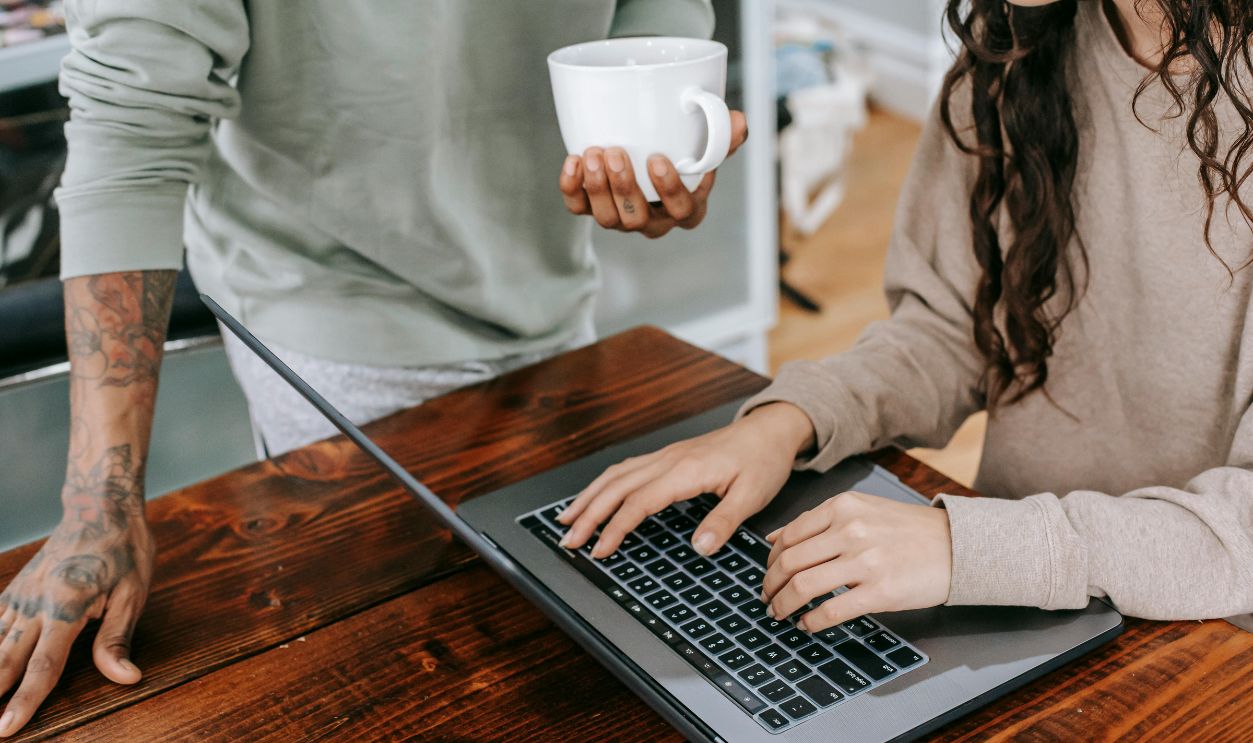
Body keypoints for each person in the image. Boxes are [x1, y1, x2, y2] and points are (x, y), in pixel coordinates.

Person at [0, 1, 748, 736]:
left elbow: (656, 33)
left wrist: (660, 160)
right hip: (327, 320)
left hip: (546, 294)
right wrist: (98, 497)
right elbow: (132, 134)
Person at [563, 0, 1253, 640]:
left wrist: (968, 547)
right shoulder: (1020, 41)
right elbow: (952, 329)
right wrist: (789, 420)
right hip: (1011, 610)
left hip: (1205, 647)